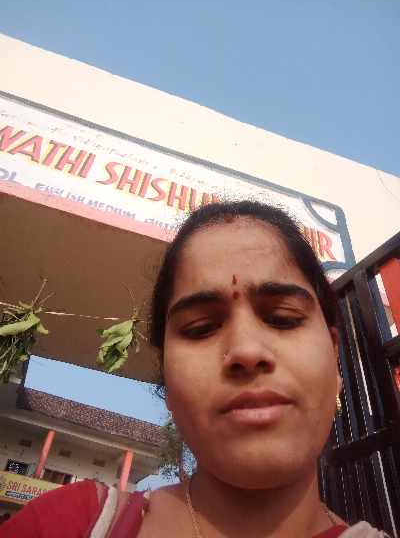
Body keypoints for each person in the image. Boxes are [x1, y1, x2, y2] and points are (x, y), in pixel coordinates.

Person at [0, 200, 390, 538]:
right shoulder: (65, 525)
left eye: (283, 318)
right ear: (167, 381)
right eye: (201, 328)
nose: (246, 350)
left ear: (334, 357)